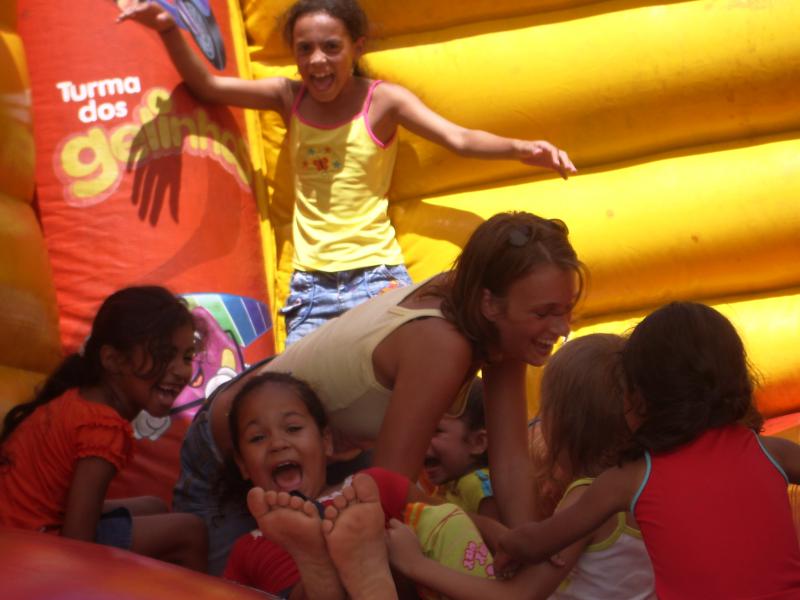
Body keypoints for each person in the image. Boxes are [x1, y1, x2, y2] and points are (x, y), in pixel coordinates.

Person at [116, 0, 577, 345]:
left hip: (376, 277)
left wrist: (522, 148)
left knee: (389, 393)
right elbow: (208, 86)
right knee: (302, 398)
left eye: (331, 47)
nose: (317, 60)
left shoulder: (382, 102)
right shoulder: (288, 97)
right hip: (310, 286)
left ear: (357, 47)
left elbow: (458, 139)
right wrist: (168, 28)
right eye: (305, 49)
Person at [496, 302, 800, 599]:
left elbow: (536, 544)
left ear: (637, 397)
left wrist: (506, 543)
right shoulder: (773, 452)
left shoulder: (631, 478)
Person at [387, 333, 656, 599]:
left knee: (448, 524)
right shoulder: (644, 483)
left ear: (563, 425)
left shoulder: (587, 498)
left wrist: (415, 564)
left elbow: (519, 595)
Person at [220, 372, 494, 599]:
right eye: (257, 438)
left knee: (435, 525)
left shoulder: (367, 488)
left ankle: (364, 573)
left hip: (407, 585)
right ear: (242, 464)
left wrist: (505, 539)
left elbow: (457, 521)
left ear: (326, 441)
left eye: (293, 428)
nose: (278, 443)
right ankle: (326, 578)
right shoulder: (249, 547)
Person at [0, 286, 208, 570]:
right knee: (190, 532)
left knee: (154, 505)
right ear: (113, 360)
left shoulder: (78, 398)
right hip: (29, 547)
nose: (181, 371)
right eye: (163, 355)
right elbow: (78, 540)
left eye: (186, 357)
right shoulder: (103, 428)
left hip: (19, 531)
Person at [424, 378, 498, 518]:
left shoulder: (476, 485)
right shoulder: (451, 481)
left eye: (436, 431)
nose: (421, 441)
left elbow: (494, 530)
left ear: (478, 442)